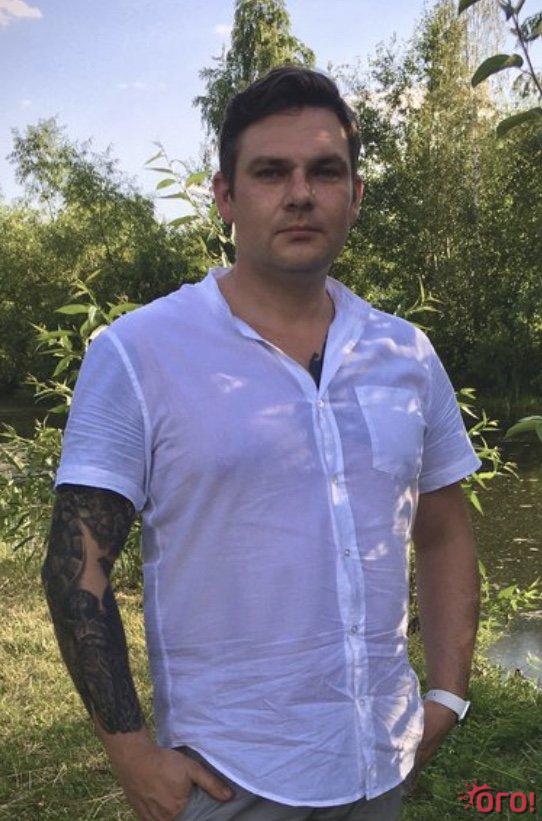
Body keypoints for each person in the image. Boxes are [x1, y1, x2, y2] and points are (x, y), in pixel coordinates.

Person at [42, 66, 481, 820]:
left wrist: (447, 692)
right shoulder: (141, 353)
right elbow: (74, 565)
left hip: (380, 759)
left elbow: (443, 532)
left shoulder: (406, 353)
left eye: (325, 171)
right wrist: (132, 755)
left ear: (356, 194)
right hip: (229, 776)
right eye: (271, 172)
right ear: (226, 195)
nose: (300, 193)